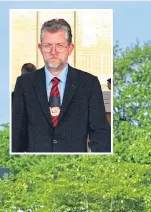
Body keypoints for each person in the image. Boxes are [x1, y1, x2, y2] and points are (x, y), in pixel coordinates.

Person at [11, 18, 111, 153]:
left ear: (70, 48)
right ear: (40, 48)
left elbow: (100, 132)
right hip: (35, 166)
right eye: (48, 46)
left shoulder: (89, 84)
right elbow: (17, 133)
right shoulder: (24, 84)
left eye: (59, 45)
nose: (53, 51)